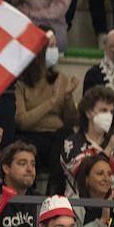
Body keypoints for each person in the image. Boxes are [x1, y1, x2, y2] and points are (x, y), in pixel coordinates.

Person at [14, 32, 79, 194]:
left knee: (66, 135)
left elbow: (71, 121)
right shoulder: (20, 81)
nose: (54, 50)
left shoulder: (61, 78)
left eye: (55, 46)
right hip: (30, 136)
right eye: (50, 46)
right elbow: (21, 121)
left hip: (55, 138)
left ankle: (54, 191)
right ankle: (30, 193)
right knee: (24, 142)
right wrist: (51, 103)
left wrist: (68, 97)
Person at [61, 85, 114, 196]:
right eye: (103, 110)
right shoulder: (72, 143)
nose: (108, 116)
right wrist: (109, 148)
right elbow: (84, 173)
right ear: (88, 112)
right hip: (81, 207)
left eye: (111, 112)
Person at [0, 141, 40, 227]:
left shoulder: (40, 201)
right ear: (6, 168)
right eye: (22, 163)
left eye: (33, 164)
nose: (30, 169)